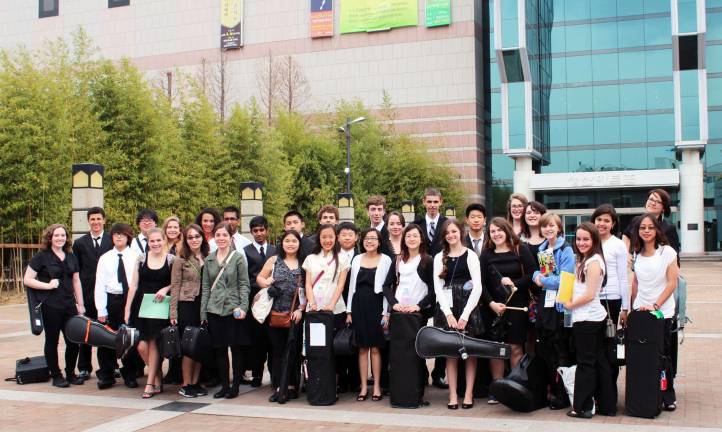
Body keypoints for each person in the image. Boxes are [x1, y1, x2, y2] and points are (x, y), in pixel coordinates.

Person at [479, 218, 536, 403]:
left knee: (515, 347)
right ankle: (497, 388)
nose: (496, 234)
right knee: (496, 347)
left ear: (507, 230)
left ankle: (515, 385)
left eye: (499, 230)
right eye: (493, 231)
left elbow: (531, 275)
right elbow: (481, 283)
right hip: (494, 308)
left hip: (517, 306)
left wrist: (514, 283)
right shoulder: (486, 254)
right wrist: (491, 304)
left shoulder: (521, 248)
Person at [562, 222, 616, 418]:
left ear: (594, 240)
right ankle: (607, 405)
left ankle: (582, 407)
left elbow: (591, 294)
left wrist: (569, 305)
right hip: (588, 318)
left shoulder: (593, 262)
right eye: (578, 239)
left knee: (586, 363)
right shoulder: (585, 259)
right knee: (598, 361)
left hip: (588, 319)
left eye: (586, 239)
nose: (581, 242)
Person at [23, 224, 85, 388]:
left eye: (63, 235)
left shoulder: (71, 256)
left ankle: (70, 373)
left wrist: (80, 303)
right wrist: (48, 286)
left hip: (69, 305)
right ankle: (56, 375)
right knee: (52, 341)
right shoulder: (41, 257)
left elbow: (76, 281)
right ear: (50, 237)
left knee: (73, 340)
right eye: (56, 235)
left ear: (66, 238)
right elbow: (27, 279)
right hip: (51, 305)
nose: (60, 238)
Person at [630, 213, 679, 411]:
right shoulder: (637, 253)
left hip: (661, 313)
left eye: (650, 227)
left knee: (662, 356)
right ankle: (647, 394)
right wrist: (630, 309)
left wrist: (656, 305)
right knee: (643, 356)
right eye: (642, 228)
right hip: (640, 311)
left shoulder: (667, 252)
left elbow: (672, 282)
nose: (646, 231)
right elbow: (635, 282)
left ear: (657, 230)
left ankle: (667, 396)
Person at [433, 219, 483, 410]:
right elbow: (438, 288)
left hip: (467, 308)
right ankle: (453, 394)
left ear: (460, 232)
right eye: (447, 232)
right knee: (451, 353)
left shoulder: (470, 255)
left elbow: (477, 287)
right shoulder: (439, 257)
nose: (451, 235)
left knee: (469, 352)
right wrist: (448, 314)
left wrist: (464, 316)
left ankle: (468, 393)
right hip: (448, 309)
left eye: (454, 231)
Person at [201, 222, 251, 399]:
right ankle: (224, 385)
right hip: (214, 309)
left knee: (236, 349)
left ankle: (235, 386)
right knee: (219, 349)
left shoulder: (238, 258)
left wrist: (243, 306)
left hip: (234, 308)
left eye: (225, 235)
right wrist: (203, 313)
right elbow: (206, 287)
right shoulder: (209, 259)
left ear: (231, 238)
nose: (221, 238)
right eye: (218, 235)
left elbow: (244, 284)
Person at [531, 212, 576, 409]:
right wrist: (536, 277)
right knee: (546, 349)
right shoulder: (543, 249)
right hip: (545, 305)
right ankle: (551, 390)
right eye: (544, 226)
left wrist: (542, 281)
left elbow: (565, 279)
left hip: (559, 307)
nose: (548, 229)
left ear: (559, 228)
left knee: (561, 350)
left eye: (552, 226)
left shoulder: (566, 249)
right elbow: (540, 274)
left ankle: (563, 394)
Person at [257, 230, 306, 404]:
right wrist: (267, 283)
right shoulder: (274, 260)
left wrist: (301, 308)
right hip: (275, 313)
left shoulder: (304, 262)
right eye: (287, 240)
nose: (290, 243)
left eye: (294, 240)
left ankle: (292, 386)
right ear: (282, 243)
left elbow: (307, 289)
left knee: (293, 351)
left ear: (299, 243)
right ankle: (279, 386)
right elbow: (260, 278)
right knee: (278, 352)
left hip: (296, 314)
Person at [303, 224, 351, 398]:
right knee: (316, 349)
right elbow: (307, 283)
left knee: (332, 349)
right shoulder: (310, 258)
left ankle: (333, 385)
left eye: (331, 237)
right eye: (324, 237)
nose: (327, 240)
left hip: (335, 311)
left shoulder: (343, 258)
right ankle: (316, 384)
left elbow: (341, 284)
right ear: (319, 238)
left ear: (336, 237)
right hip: (314, 312)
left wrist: (332, 303)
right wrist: (312, 302)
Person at [124, 228, 173, 399]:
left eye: (158, 240)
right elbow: (133, 286)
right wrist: (127, 308)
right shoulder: (141, 259)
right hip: (142, 307)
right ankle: (157, 374)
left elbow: (177, 283)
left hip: (160, 308)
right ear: (148, 242)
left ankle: (150, 383)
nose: (156, 244)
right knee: (141, 346)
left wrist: (166, 289)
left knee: (153, 344)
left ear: (164, 240)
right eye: (152, 241)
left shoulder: (171, 260)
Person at [346, 228, 392, 401]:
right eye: (366, 238)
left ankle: (377, 387)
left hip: (377, 305)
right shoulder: (357, 259)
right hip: (359, 305)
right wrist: (349, 310)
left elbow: (387, 288)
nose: (370, 241)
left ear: (379, 242)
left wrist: (386, 313)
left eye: (373, 238)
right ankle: (364, 386)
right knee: (362, 347)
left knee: (375, 348)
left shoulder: (386, 260)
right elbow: (351, 287)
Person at [94, 223, 140, 389]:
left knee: (130, 338)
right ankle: (106, 374)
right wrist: (101, 309)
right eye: (115, 234)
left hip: (130, 300)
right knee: (106, 338)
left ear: (128, 237)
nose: (119, 237)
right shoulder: (105, 258)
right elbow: (99, 285)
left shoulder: (136, 256)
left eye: (122, 234)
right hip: (111, 300)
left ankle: (130, 374)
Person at [72, 207, 112, 381]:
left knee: (108, 330)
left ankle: (110, 366)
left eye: (98, 219)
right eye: (92, 219)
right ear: (88, 221)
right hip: (87, 293)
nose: (96, 222)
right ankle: (84, 367)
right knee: (85, 330)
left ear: (104, 220)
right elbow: (76, 270)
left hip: (107, 293)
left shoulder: (112, 240)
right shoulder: (79, 243)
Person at [170, 224, 210, 398]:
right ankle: (186, 384)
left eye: (197, 236)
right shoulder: (180, 259)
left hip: (205, 305)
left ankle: (195, 382)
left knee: (200, 344)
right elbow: (175, 286)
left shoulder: (209, 257)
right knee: (189, 346)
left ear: (203, 237)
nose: (194, 240)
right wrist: (173, 313)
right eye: (190, 237)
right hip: (187, 304)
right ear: (186, 240)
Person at [414, 187, 448, 389]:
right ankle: (418, 373)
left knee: (442, 330)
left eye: (436, 202)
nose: (433, 205)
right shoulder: (416, 224)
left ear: (441, 202)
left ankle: (439, 373)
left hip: (442, 285)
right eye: (429, 202)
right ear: (424, 202)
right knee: (417, 329)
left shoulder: (447, 224)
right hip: (421, 284)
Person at [243, 215, 277, 387]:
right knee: (257, 339)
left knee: (272, 338)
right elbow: (245, 277)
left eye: (261, 230)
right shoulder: (245, 250)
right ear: (251, 232)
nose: (258, 233)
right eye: (255, 231)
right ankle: (256, 374)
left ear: (267, 230)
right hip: (254, 299)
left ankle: (273, 374)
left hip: (273, 299)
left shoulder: (275, 250)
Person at [336, 221, 360, 393]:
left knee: (355, 341)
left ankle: (355, 379)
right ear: (338, 237)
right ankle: (341, 379)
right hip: (336, 304)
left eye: (350, 234)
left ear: (356, 237)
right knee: (338, 341)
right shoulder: (332, 256)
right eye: (343, 234)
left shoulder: (362, 256)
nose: (346, 237)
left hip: (357, 304)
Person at [623, 189, 680, 255]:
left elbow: (675, 255)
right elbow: (626, 235)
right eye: (651, 199)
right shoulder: (636, 220)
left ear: (663, 208)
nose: (653, 203)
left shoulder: (669, 228)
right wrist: (627, 253)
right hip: (636, 263)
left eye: (658, 202)